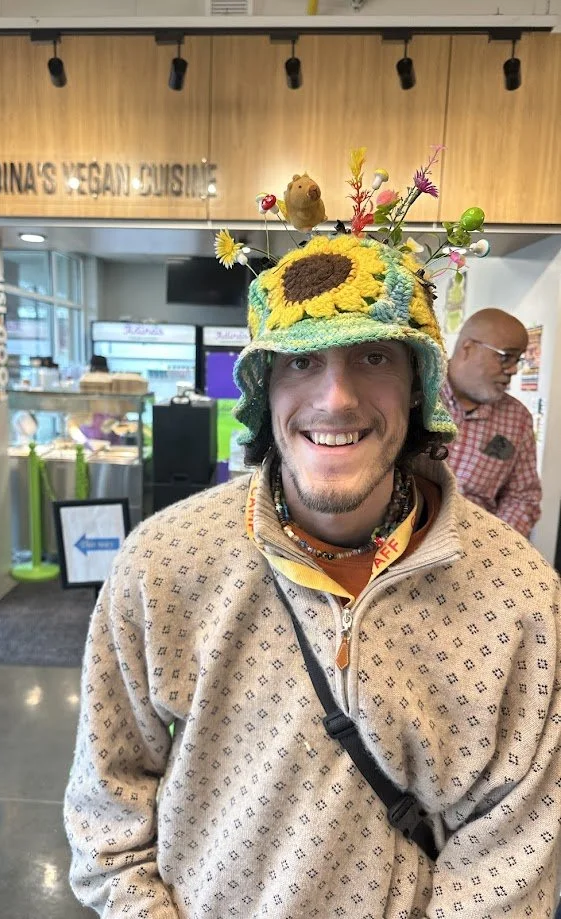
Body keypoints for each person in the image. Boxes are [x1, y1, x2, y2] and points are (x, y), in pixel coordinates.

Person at [64, 162, 561, 918]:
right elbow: (107, 806)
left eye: (372, 357)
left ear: (419, 386)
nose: (335, 398)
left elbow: (512, 856)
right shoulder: (164, 564)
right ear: (264, 392)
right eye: (301, 360)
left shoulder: (520, 599)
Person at [443, 308, 542, 537]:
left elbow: (522, 496)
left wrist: (494, 544)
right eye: (506, 356)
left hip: (474, 552)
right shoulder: (414, 395)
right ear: (467, 348)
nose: (514, 370)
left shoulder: (517, 419)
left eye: (518, 360)